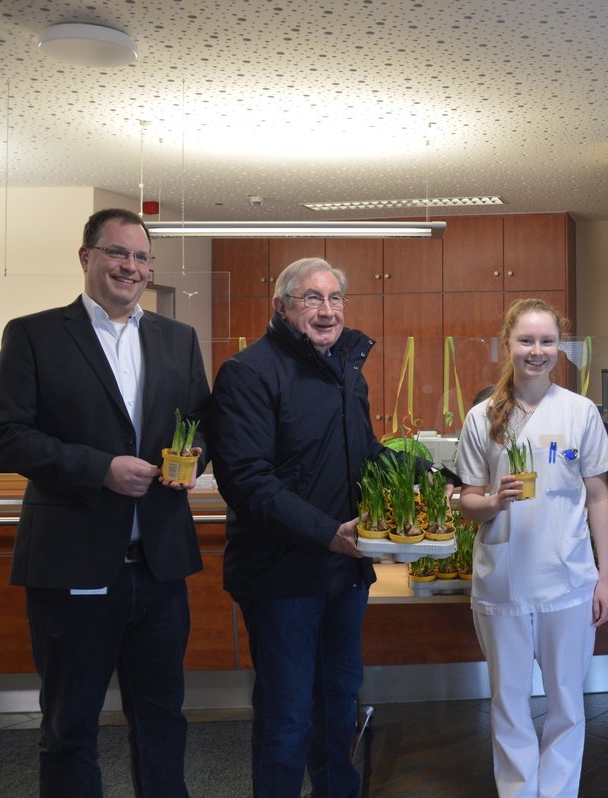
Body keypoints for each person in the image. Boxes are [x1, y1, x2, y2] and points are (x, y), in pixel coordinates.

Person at [208, 256, 453, 798]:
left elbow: (366, 453)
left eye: (335, 298)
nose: (327, 310)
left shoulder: (345, 372)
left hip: (344, 574)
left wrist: (441, 476)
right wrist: (329, 533)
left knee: (340, 701)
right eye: (311, 298)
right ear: (281, 307)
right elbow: (247, 481)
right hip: (281, 578)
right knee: (287, 712)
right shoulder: (248, 373)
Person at [0, 208, 210, 797]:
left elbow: (201, 422)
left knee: (163, 722)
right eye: (117, 253)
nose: (130, 267)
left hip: (159, 568)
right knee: (70, 728)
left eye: (141, 257)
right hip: (72, 568)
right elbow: (6, 436)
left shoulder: (178, 339)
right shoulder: (34, 335)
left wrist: (195, 457)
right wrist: (99, 470)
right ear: (86, 257)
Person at [455, 298, 608, 798]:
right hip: (502, 581)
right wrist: (494, 501)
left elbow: (598, 498)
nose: (537, 350)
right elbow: (467, 501)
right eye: (526, 340)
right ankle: (519, 791)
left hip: (568, 580)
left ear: (560, 346)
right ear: (507, 344)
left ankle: (559, 792)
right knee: (508, 700)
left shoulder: (580, 412)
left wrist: (605, 577)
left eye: (547, 341)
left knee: (567, 701)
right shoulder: (482, 417)